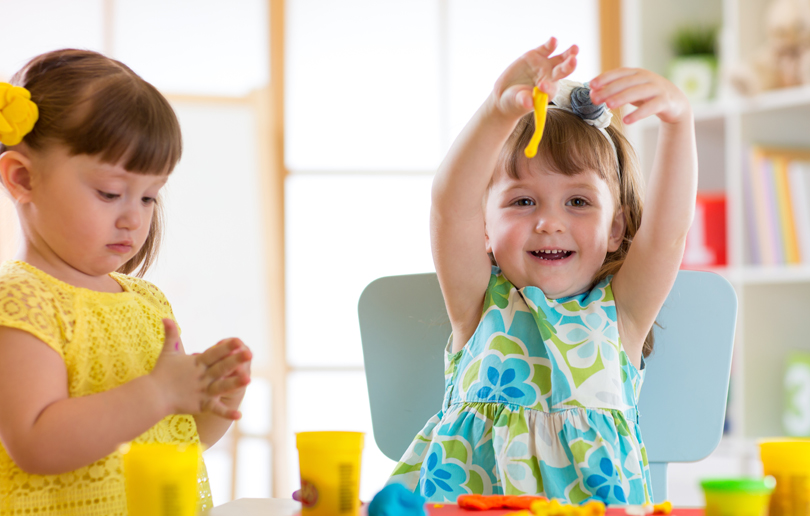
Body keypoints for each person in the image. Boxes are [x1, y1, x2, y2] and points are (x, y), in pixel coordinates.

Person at [389, 38, 697, 504]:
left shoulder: (622, 315)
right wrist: (496, 111)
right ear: (485, 229)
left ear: (615, 229)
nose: (549, 222)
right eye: (522, 201)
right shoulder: (478, 304)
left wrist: (679, 123)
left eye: (578, 201)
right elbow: (448, 208)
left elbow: (667, 235)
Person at [0, 49, 253, 515]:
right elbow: (36, 443)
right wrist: (158, 392)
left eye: (150, 197)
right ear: (22, 178)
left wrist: (210, 401)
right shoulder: (20, 301)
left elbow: (174, 437)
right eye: (111, 193)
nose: (133, 218)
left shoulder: (147, 301)